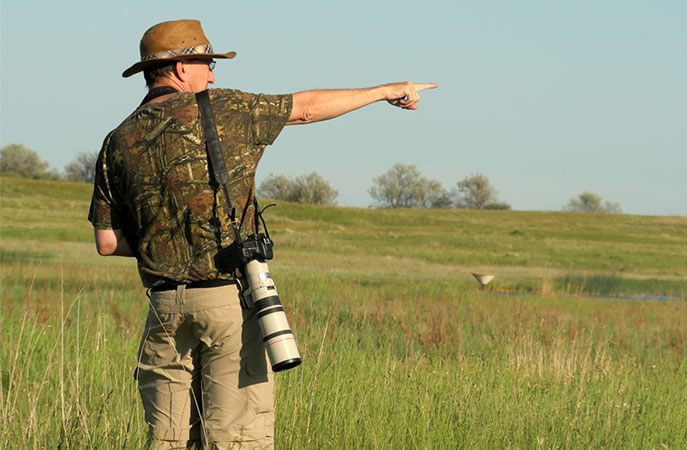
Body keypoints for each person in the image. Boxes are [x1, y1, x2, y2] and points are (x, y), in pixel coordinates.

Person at [89, 19, 436, 448]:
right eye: (207, 64)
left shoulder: (116, 139)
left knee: (166, 440)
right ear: (181, 68)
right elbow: (307, 108)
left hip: (162, 310)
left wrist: (163, 246)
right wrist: (385, 90)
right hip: (225, 303)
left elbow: (107, 243)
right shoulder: (222, 108)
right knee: (235, 438)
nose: (213, 74)